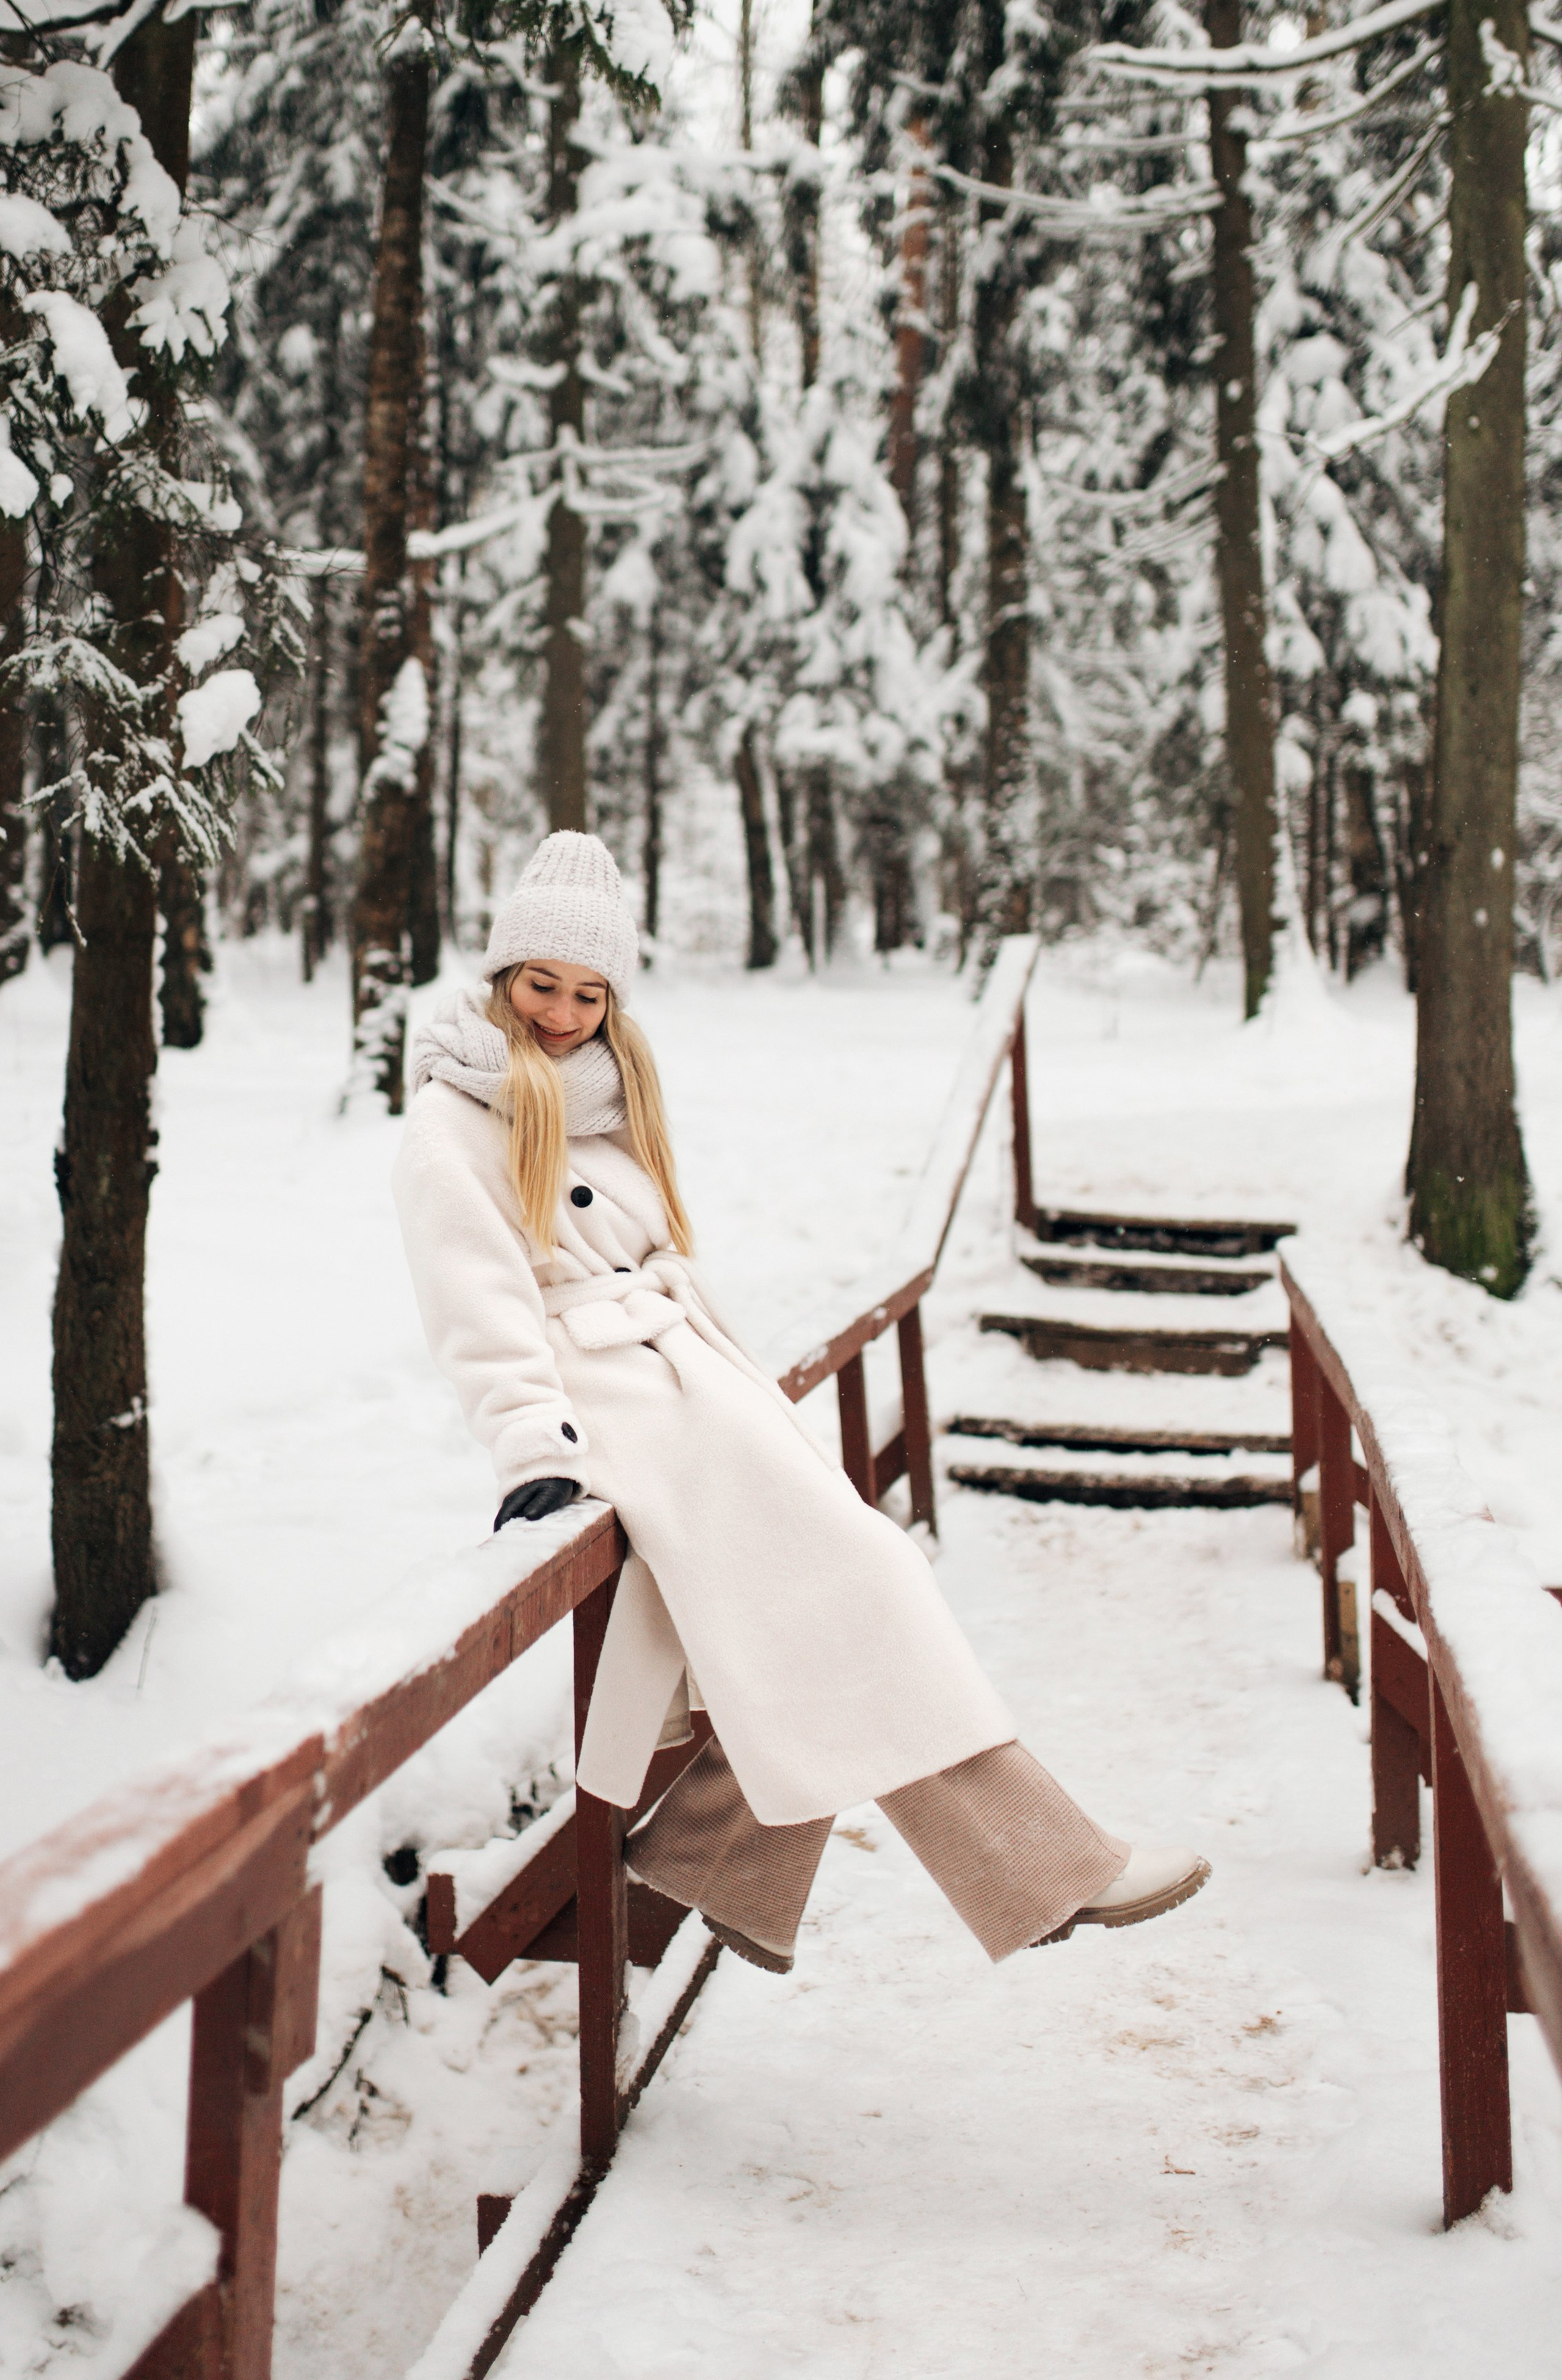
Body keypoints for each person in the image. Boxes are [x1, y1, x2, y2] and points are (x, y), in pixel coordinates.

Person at [391, 831, 1209, 1975]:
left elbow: (651, 1250)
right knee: (861, 1587)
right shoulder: (453, 1117)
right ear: (500, 975)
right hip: (617, 1406)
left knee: (829, 1609)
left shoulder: (607, 1093)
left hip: (685, 1384)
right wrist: (534, 1446)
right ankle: (1049, 1870)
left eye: (588, 993)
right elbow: (476, 1303)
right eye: (542, 985)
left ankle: (721, 1862)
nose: (564, 1015)